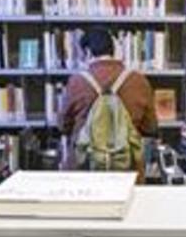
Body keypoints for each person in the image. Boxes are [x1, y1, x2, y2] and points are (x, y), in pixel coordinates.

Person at [58, 27, 157, 170]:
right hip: (127, 170)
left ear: (88, 52)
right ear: (113, 51)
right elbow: (151, 127)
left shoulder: (77, 82)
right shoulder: (139, 81)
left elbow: (63, 125)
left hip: (86, 170)